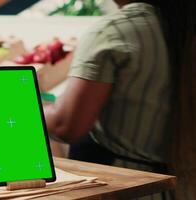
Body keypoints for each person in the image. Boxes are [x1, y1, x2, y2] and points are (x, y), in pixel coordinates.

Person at [43, 0, 194, 199]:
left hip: (130, 188)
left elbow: (66, 125)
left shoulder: (115, 31)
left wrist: (20, 109)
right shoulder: (182, 25)